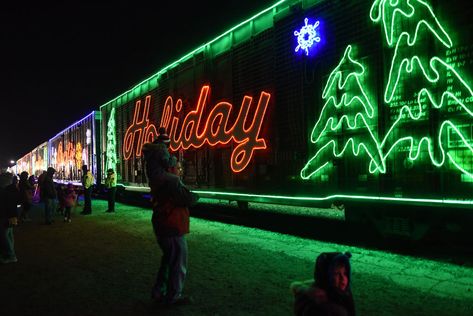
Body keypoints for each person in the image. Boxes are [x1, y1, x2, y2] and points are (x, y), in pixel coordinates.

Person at [150, 160, 199, 306]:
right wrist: (193, 195)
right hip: (172, 226)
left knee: (167, 261)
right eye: (178, 167)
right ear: (170, 169)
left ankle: (158, 291)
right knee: (178, 263)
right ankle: (173, 296)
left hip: (164, 226)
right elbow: (189, 198)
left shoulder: (159, 181)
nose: (180, 170)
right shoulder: (172, 182)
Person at [291, 252, 355, 316]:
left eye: (345, 273)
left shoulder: (342, 291)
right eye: (336, 274)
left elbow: (296, 285)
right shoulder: (322, 307)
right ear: (325, 277)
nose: (343, 278)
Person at [0, 172, 20, 264]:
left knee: (5, 236)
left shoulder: (6, 191)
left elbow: (6, 205)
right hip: (12, 215)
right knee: (9, 235)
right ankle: (11, 254)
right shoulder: (13, 189)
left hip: (7, 215)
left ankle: (11, 255)